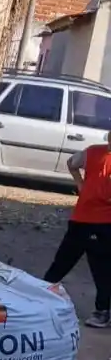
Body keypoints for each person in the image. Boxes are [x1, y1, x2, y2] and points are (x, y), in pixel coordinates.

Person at [43, 139, 111, 328]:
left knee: (101, 267)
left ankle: (102, 311)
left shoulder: (95, 152)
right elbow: (72, 163)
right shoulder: (94, 152)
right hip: (83, 218)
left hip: (104, 221)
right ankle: (41, 295)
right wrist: (80, 184)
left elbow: (72, 163)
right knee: (64, 260)